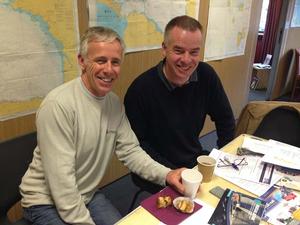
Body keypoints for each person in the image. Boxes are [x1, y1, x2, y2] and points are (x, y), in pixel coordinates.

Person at [19, 26, 185, 225]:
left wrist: (167, 174)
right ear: (82, 61)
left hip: (86, 194)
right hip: (45, 201)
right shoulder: (58, 105)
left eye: (115, 62)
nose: (109, 69)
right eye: (100, 60)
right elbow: (62, 185)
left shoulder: (113, 103)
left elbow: (131, 151)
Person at [124, 15, 235, 191]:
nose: (186, 60)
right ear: (164, 49)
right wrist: (171, 173)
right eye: (178, 51)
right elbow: (139, 145)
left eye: (194, 52)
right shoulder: (140, 90)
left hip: (192, 161)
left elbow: (225, 119)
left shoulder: (206, 75)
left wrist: (225, 159)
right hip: (156, 169)